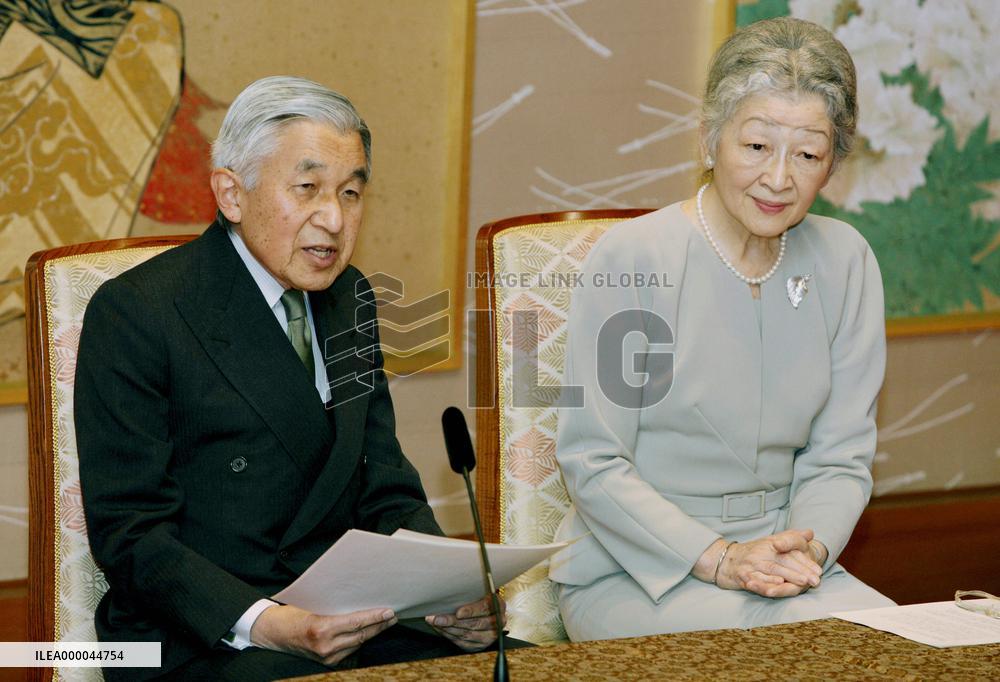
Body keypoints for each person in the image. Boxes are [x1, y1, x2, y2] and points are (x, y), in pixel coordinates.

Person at [75, 76, 503, 681]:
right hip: (205, 634)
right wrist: (271, 623)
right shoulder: (141, 311)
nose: (333, 217)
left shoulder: (350, 296)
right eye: (307, 188)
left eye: (351, 193)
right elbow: (132, 533)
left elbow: (382, 486)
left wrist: (448, 596)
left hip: (350, 618)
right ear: (232, 193)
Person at [548, 17, 895, 641]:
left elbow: (840, 456)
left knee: (902, 652)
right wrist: (720, 558)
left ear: (834, 163)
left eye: (808, 154)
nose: (779, 178)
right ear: (710, 140)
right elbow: (593, 460)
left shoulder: (847, 262)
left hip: (788, 568)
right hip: (639, 571)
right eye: (756, 146)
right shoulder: (637, 259)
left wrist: (802, 554)